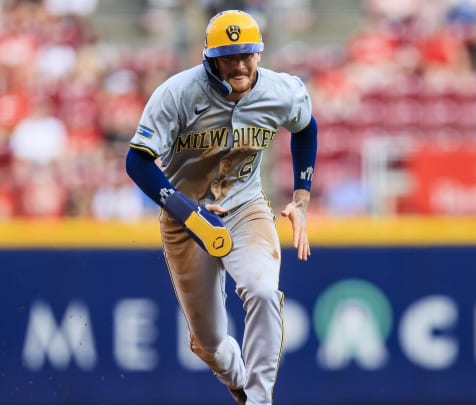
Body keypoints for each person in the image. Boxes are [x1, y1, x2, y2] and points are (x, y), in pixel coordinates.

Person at [124, 9, 318, 405]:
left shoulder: (281, 90)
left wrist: (301, 194)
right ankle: (240, 384)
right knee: (209, 342)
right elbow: (137, 160)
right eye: (230, 56)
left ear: (260, 54)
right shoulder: (177, 93)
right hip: (185, 215)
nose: (241, 64)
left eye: (248, 54)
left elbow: (306, 126)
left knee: (263, 292)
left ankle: (260, 401)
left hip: (246, 205)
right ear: (210, 58)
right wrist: (183, 210)